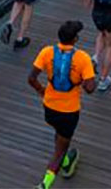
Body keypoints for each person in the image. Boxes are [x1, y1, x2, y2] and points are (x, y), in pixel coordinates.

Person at [28, 20, 96, 189]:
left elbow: (31, 78)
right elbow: (90, 89)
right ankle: (44, 185)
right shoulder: (83, 58)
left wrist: (42, 90)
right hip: (69, 112)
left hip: (49, 108)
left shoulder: (47, 52)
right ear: (75, 39)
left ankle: (67, 162)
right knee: (58, 152)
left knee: (60, 136)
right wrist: (86, 75)